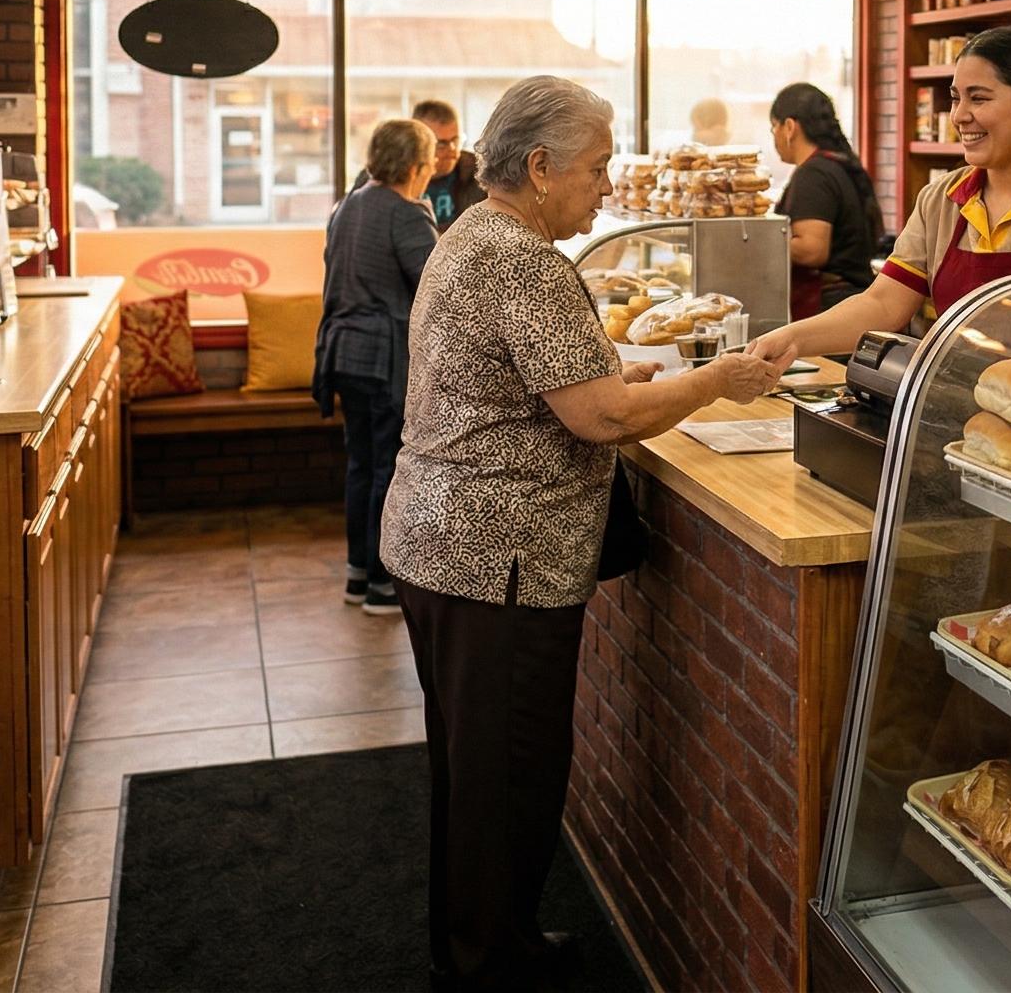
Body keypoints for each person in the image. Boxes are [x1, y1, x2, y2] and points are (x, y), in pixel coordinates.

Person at [381, 75, 777, 989]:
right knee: (508, 778)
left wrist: (618, 364)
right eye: (596, 169)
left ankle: (477, 943)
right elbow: (598, 419)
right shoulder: (522, 257)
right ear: (539, 165)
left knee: (470, 769)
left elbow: (529, 373)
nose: (605, 188)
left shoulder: (474, 234)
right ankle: (493, 963)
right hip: (498, 561)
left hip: (441, 542)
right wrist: (714, 381)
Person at [748, 27, 1011, 367]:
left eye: (978, 98)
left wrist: (978, 380)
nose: (959, 116)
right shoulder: (942, 199)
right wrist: (793, 339)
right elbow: (883, 304)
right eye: (956, 98)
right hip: (949, 408)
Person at [312, 117, 440, 616]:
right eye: (428, 165)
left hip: (341, 352)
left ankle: (358, 574)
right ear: (413, 166)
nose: (430, 174)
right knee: (388, 467)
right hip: (384, 356)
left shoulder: (350, 205)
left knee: (362, 465)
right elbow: (439, 285)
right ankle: (385, 588)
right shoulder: (404, 212)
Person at [767, 82, 881, 319]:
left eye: (773, 127)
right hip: (852, 303)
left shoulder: (814, 174)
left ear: (789, 127)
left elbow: (812, 251)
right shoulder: (837, 165)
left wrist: (758, 242)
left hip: (830, 307)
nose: (774, 136)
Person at [411, 98, 485, 228]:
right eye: (441, 143)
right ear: (417, 142)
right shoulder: (389, 175)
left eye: (455, 140)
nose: (451, 148)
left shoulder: (481, 172)